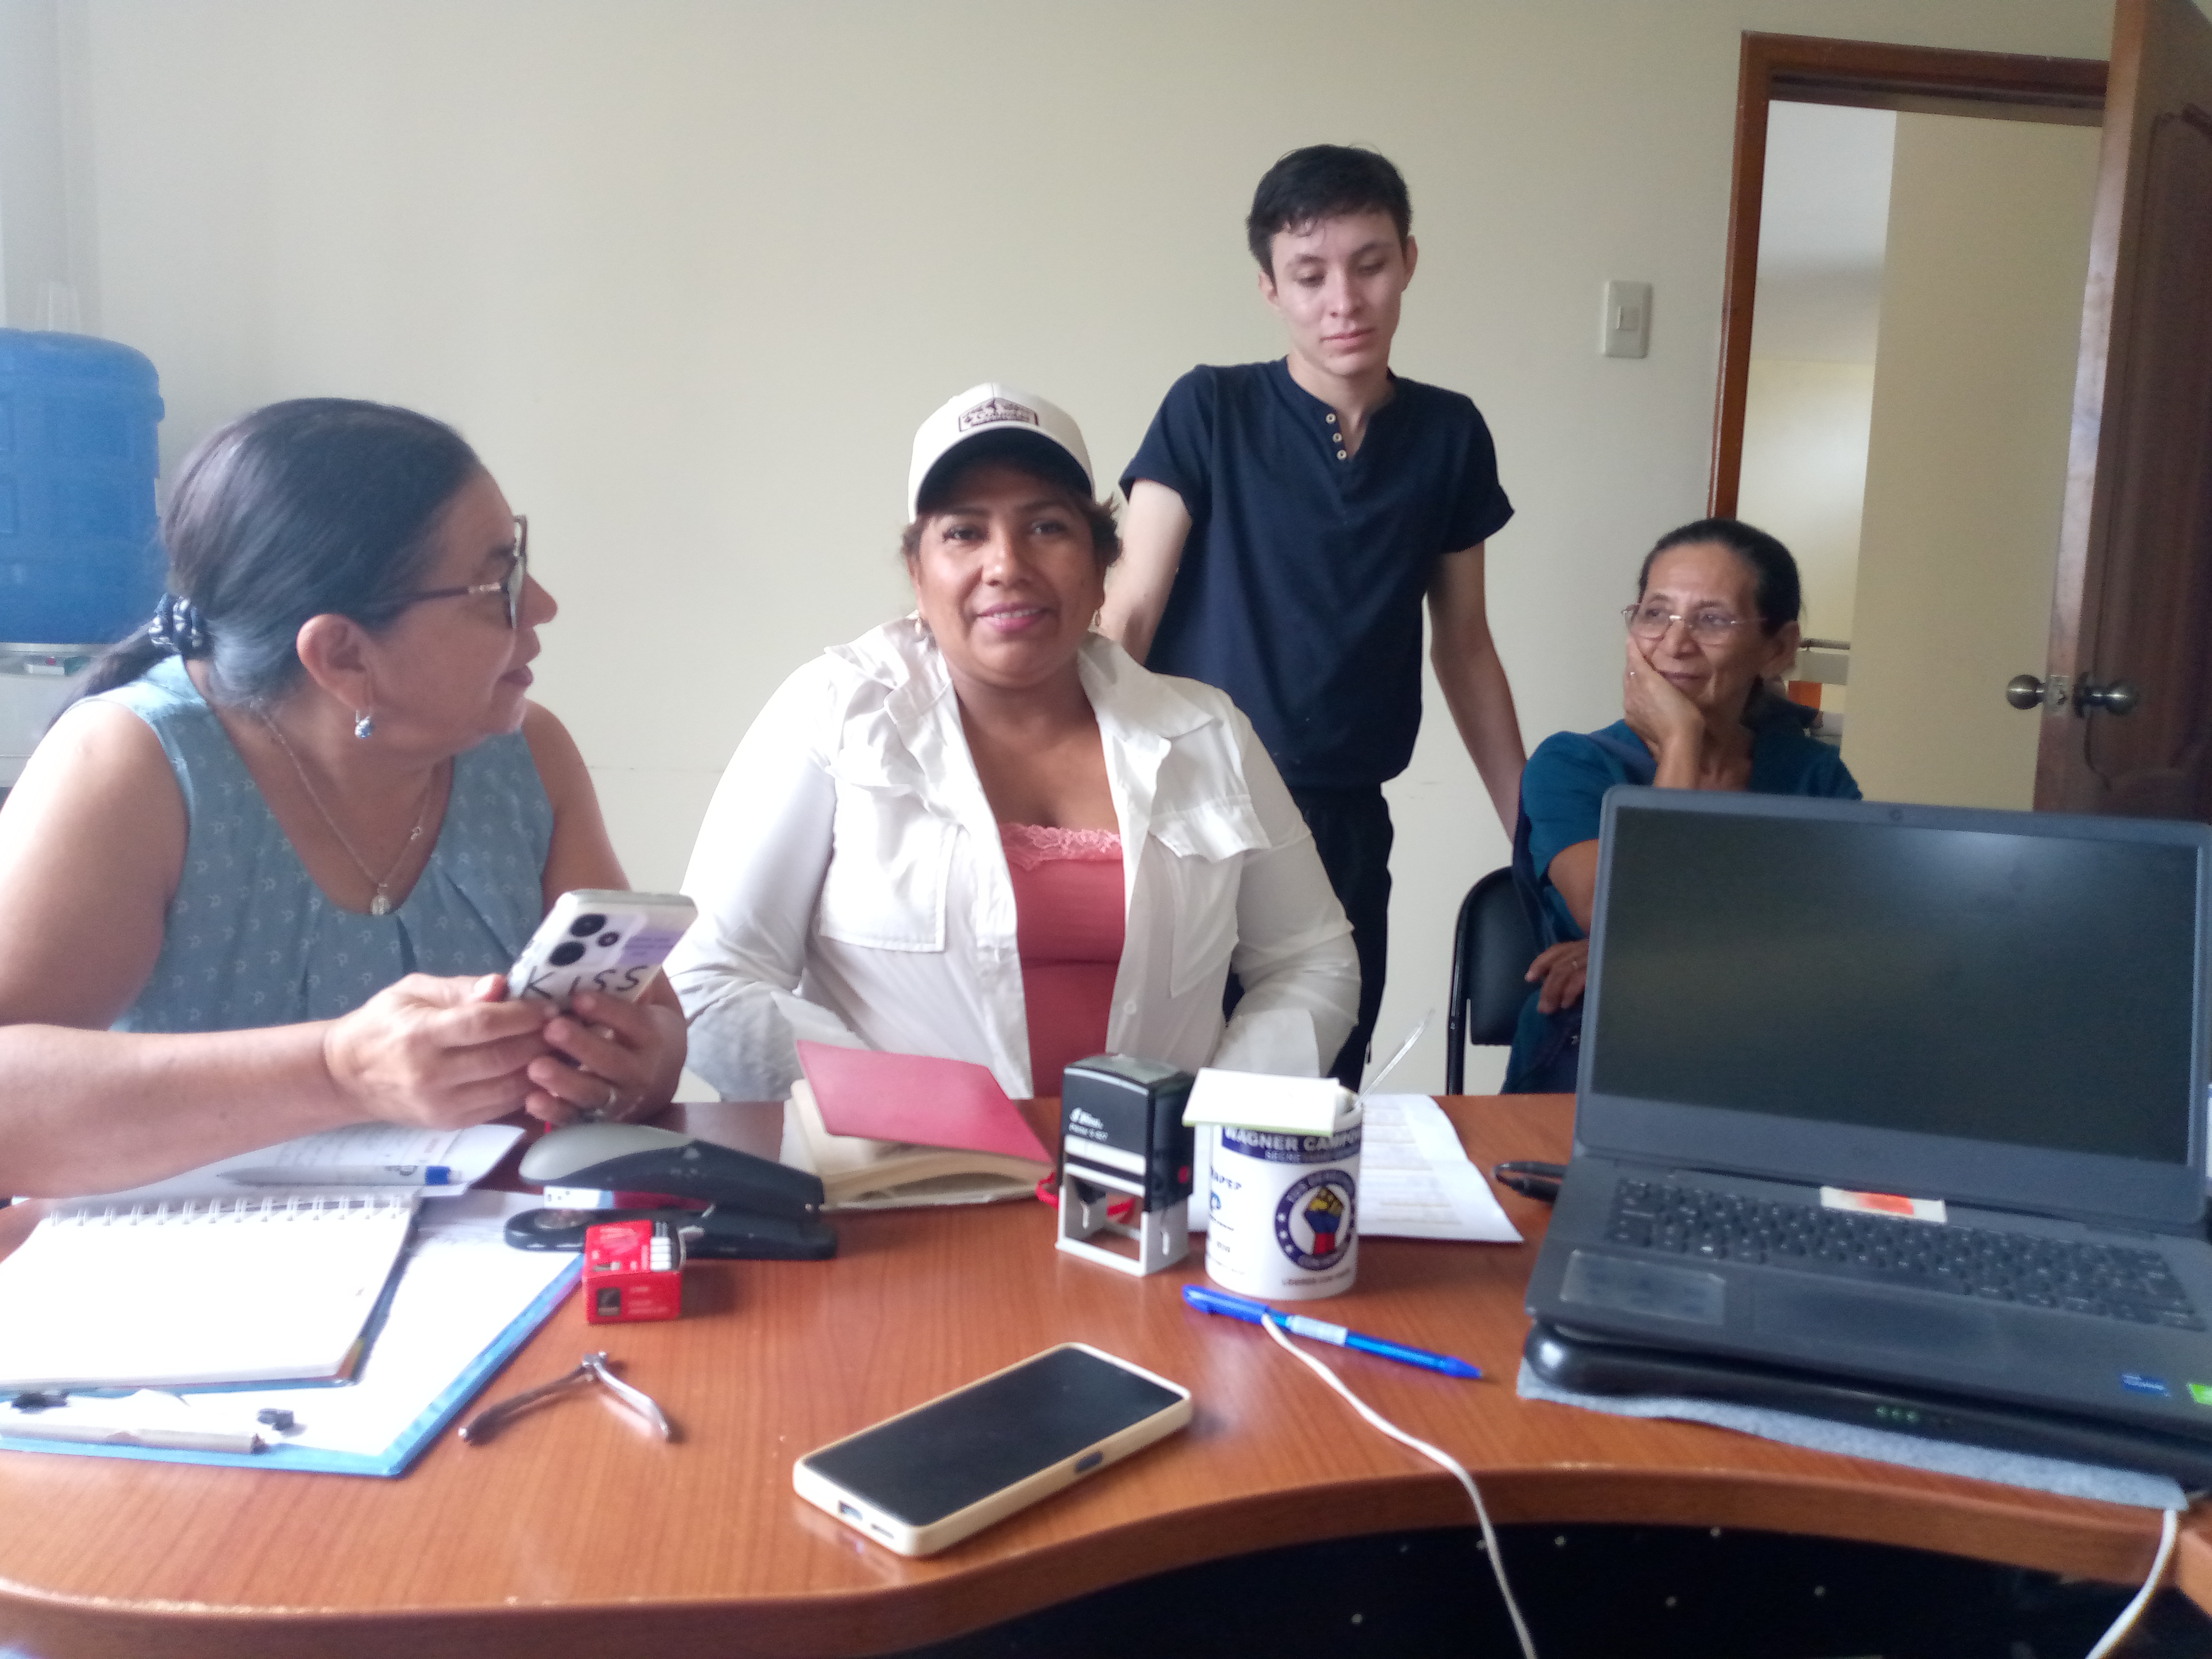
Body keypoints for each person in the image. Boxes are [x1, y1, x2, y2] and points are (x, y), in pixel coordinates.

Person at [0, 399, 685, 1197]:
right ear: (342, 655)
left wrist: (630, 1067)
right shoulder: (133, 762)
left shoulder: (526, 756)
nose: (541, 606)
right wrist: (337, 1072)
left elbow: (658, 1029)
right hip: (184, 1260)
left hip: (487, 1248)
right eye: (495, 582)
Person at [669, 383, 1359, 1107]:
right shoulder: (834, 714)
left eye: (1046, 527)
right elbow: (709, 978)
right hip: (906, 1172)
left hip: (1156, 1174)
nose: (1006, 564)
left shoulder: (1205, 732)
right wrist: (912, 1119)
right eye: (964, 533)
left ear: (1101, 565)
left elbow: (1311, 960)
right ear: (918, 574)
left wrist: (1219, 1119)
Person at [1101, 143, 1521, 1092]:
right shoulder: (1210, 407)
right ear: (1270, 288)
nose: (1345, 301)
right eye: (1310, 275)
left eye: (1370, 265)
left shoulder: (1450, 433)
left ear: (1409, 261)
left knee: (1312, 1101)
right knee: (1164, 1091)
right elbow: (1130, 607)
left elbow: (1465, 647)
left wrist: (1533, 845)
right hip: (1197, 812)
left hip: (1345, 824)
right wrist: (1086, 802)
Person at [1504, 517, 1861, 1093]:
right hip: (1601, 1053)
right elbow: (1626, 919)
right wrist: (1680, 742)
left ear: (1777, 648)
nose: (1674, 644)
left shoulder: (1812, 776)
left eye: (1712, 619)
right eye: (1655, 613)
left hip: (1770, 1052)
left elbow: (1847, 947)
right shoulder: (1572, 764)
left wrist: (1632, 953)